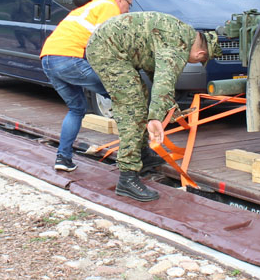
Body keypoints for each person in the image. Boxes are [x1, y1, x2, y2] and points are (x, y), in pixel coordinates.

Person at [85, 12, 220, 202]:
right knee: (132, 109)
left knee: (141, 98)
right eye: (198, 62)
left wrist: (167, 105)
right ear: (200, 54)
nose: (193, 63)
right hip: (108, 50)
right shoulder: (178, 46)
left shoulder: (182, 33)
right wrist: (155, 117)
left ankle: (142, 156)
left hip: (113, 46)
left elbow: (155, 71)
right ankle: (127, 177)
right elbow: (164, 81)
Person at [39, 0, 134, 171]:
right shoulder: (109, 7)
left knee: (77, 108)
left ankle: (63, 158)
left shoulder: (91, 6)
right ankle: (138, 153)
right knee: (122, 94)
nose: (127, 10)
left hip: (48, 58)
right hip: (67, 58)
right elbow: (105, 43)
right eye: (129, 5)